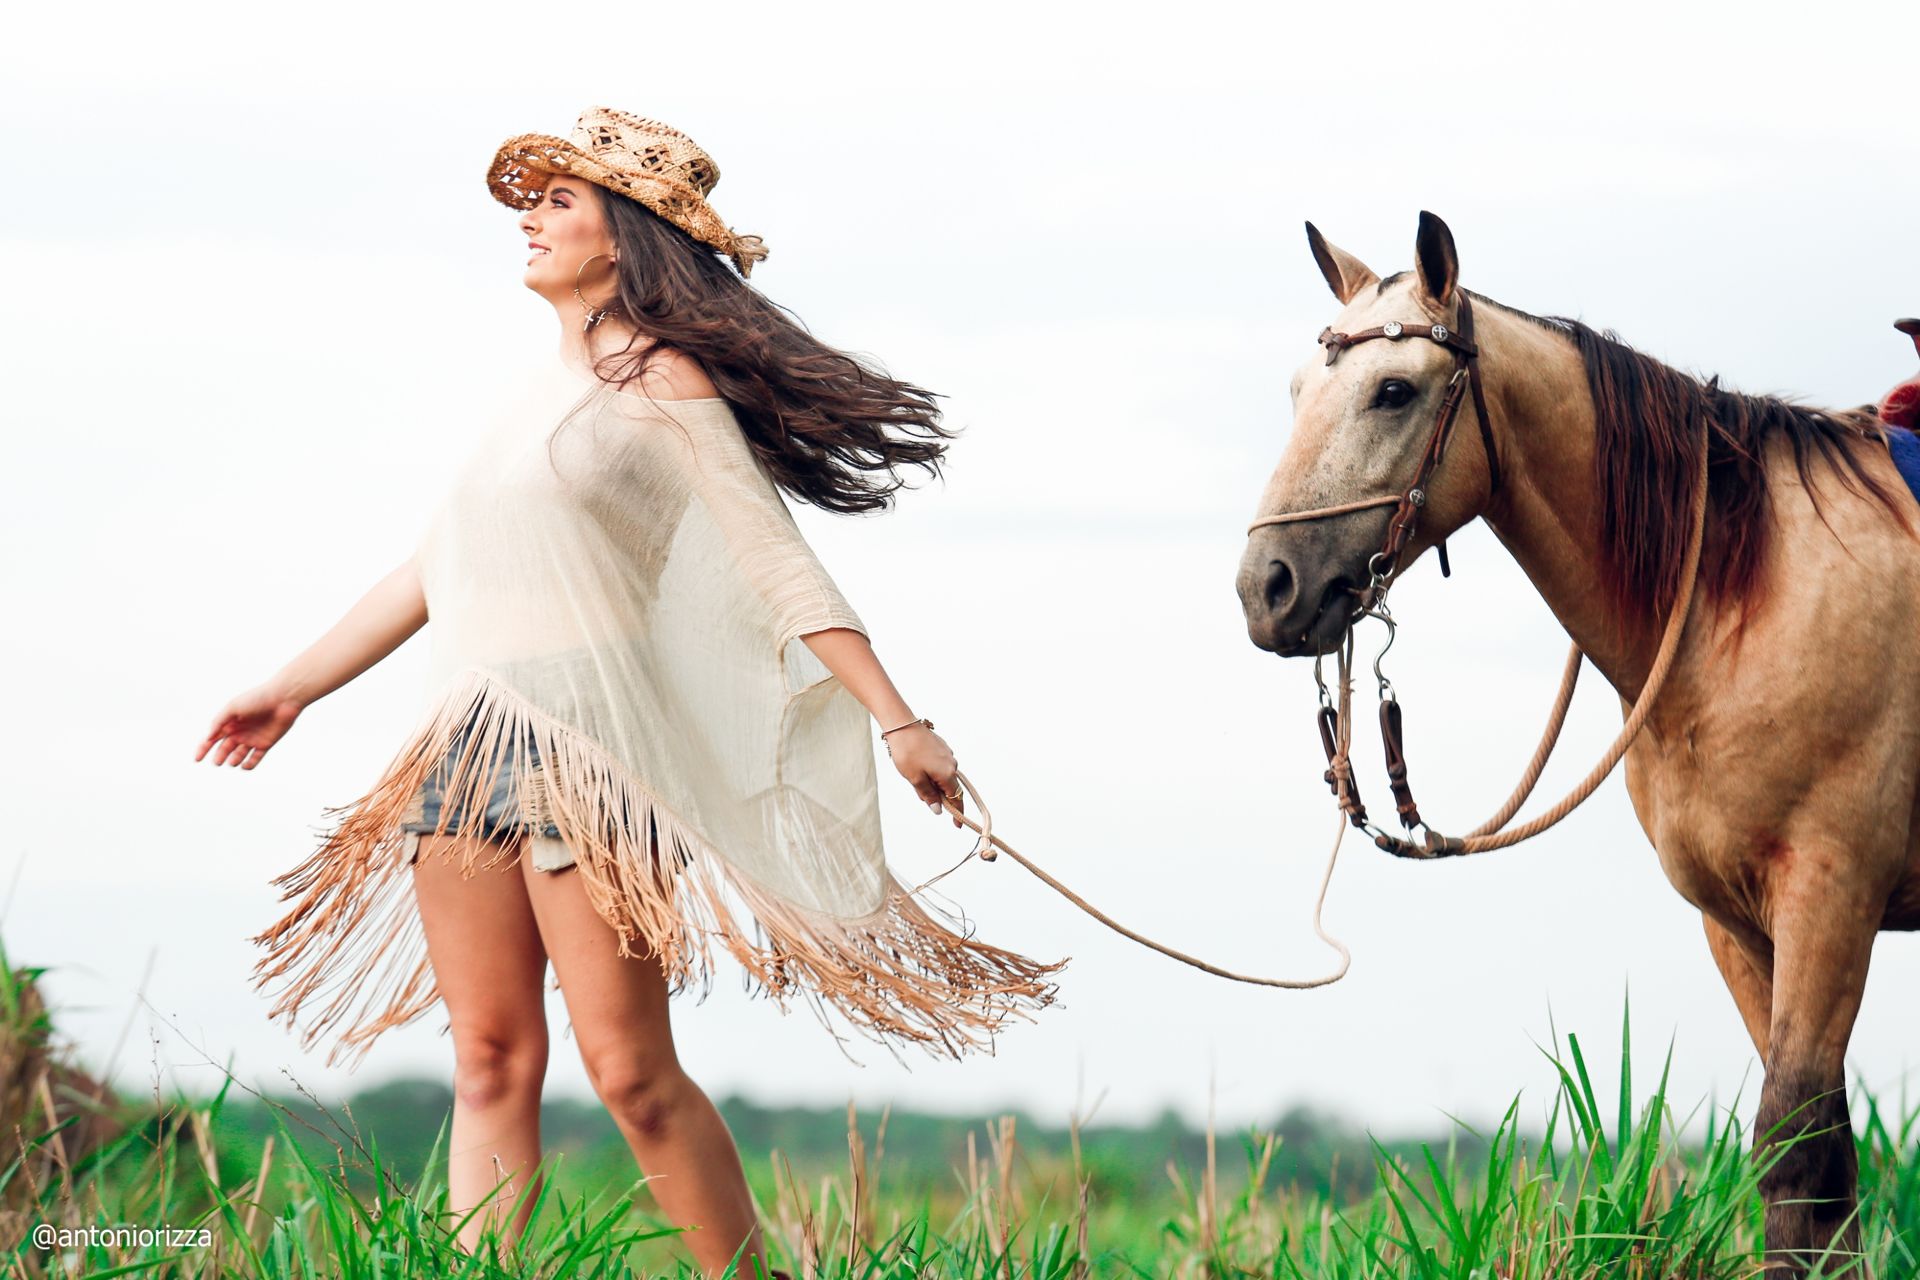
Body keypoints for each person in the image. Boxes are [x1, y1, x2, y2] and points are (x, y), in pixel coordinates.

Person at [196, 107, 1063, 1279]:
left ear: (627, 238)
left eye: (561, 200)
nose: (530, 217)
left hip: (594, 754)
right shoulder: (521, 394)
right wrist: (289, 688)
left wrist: (900, 719)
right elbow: (433, 567)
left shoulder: (662, 379)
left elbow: (774, 558)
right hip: (465, 743)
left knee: (629, 1074)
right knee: (491, 1059)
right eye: (533, 198)